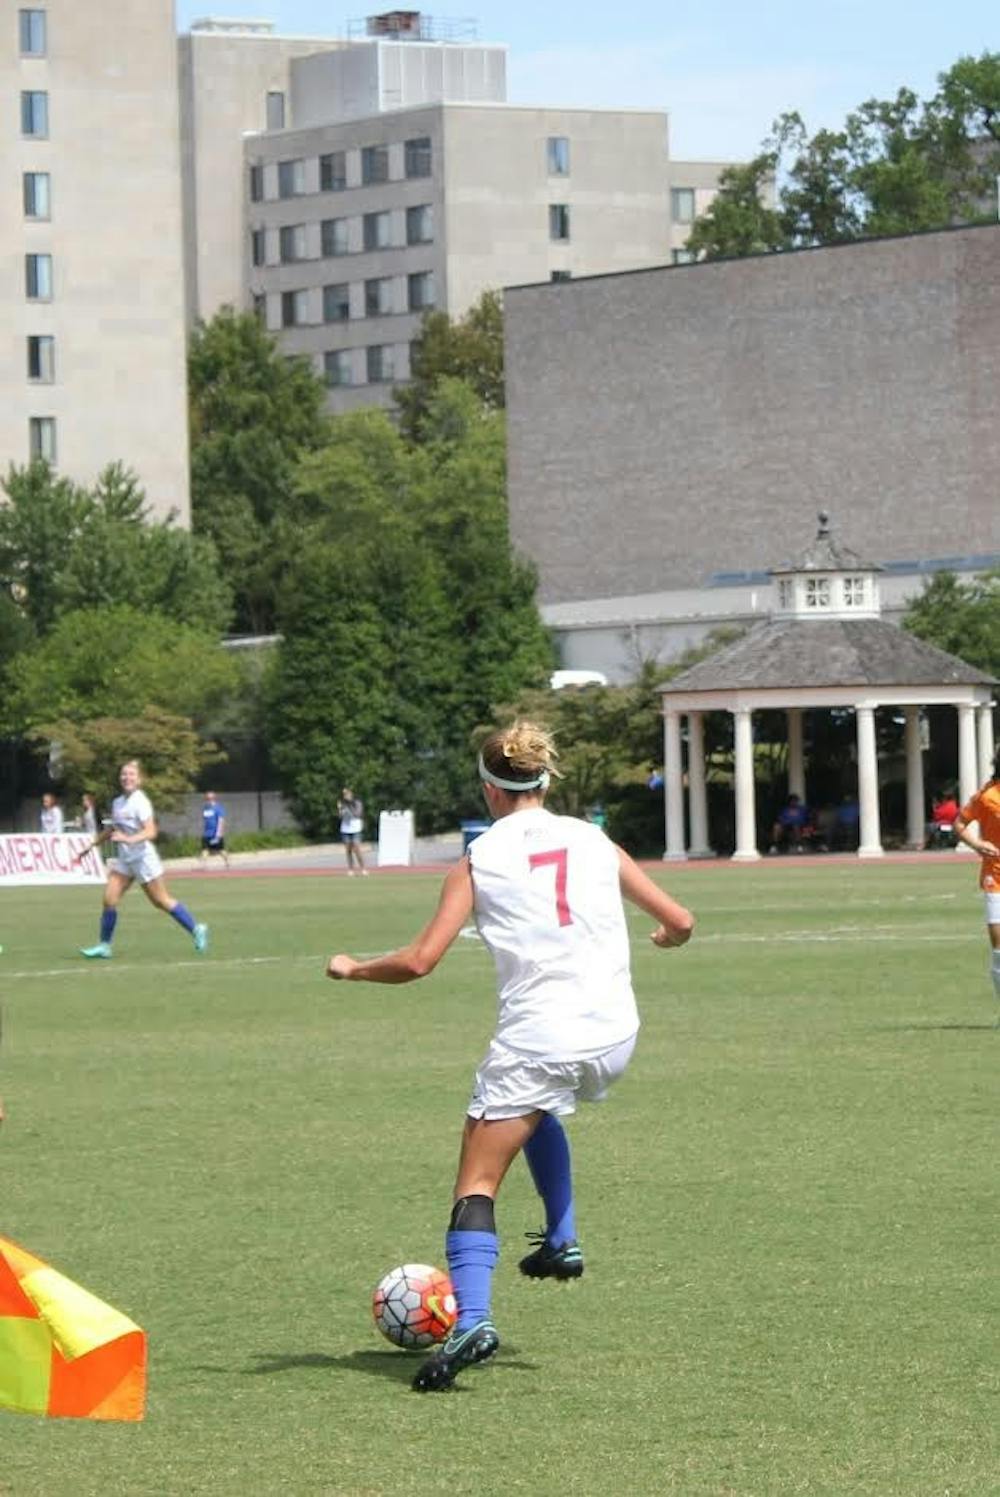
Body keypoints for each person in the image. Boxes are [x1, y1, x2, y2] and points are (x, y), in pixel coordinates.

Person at [326, 721, 694, 1392]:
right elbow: (683, 919)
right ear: (547, 781)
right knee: (533, 1108)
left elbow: (418, 961)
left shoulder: (478, 858)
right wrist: (667, 936)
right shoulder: (593, 839)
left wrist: (353, 968)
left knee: (477, 1177)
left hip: (541, 1034)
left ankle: (473, 1319)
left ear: (489, 791)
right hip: (615, 1031)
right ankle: (562, 1238)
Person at [74, 759, 209, 960]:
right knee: (109, 899)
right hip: (126, 859)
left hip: (144, 859)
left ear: (139, 779)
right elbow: (112, 829)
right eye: (123, 774)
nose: (126, 777)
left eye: (131, 774)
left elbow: (151, 831)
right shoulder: (118, 802)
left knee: (161, 901)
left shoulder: (141, 802)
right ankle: (104, 946)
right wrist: (91, 846)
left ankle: (196, 928)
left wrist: (128, 839)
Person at [953, 749, 1000, 1024]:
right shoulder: (987, 796)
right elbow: (960, 823)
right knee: (998, 948)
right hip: (996, 877)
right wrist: (978, 845)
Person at [337, 787, 367, 876]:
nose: (346, 796)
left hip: (355, 828)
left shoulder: (357, 803)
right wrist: (340, 810)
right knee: (348, 849)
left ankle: (363, 868)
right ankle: (351, 869)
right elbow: (340, 816)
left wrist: (348, 809)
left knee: (357, 848)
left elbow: (358, 814)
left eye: (347, 794)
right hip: (345, 829)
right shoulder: (342, 804)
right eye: (344, 795)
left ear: (351, 794)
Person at [199, 790, 230, 870]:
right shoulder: (205, 809)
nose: (208, 800)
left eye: (210, 798)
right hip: (207, 834)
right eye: (207, 798)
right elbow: (206, 820)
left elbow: (221, 820)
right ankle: (204, 866)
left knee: (221, 850)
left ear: (214, 798)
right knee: (204, 849)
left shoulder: (218, 808)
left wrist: (219, 833)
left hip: (216, 833)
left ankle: (227, 863)